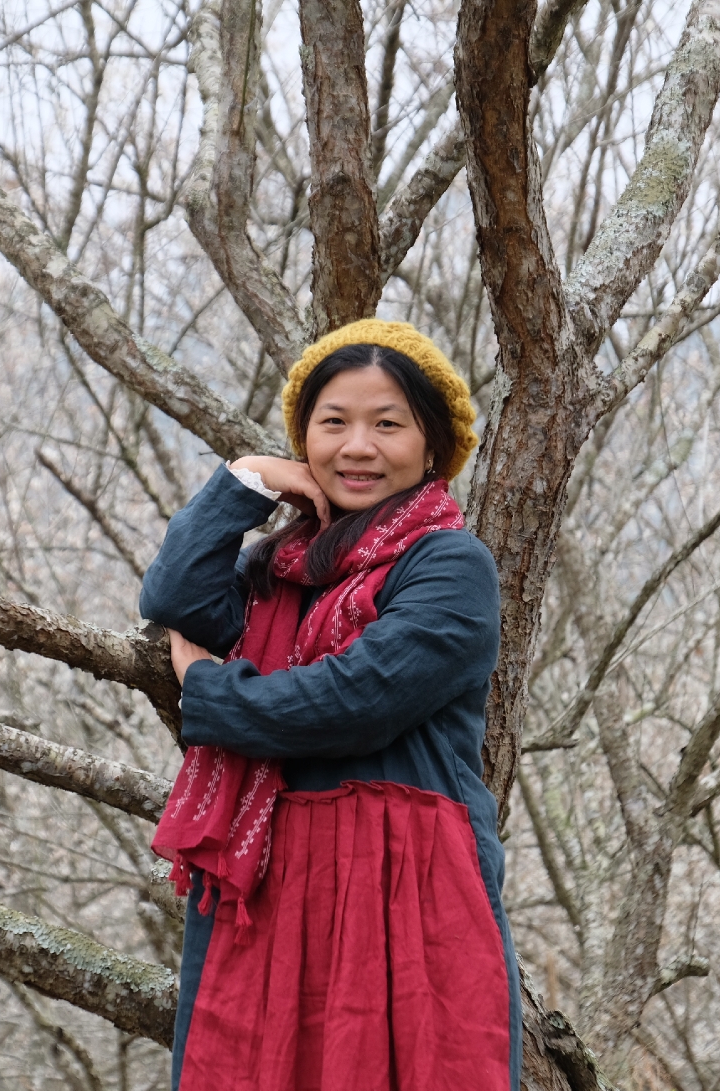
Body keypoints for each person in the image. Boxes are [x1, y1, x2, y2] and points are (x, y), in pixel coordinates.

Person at [140, 319, 520, 1091]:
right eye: (333, 422)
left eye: (388, 424)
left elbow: (352, 701)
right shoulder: (278, 567)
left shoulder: (450, 565)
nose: (357, 447)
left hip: (405, 882)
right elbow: (175, 595)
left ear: (430, 444)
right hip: (272, 885)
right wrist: (244, 479)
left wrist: (207, 687)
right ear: (303, 438)